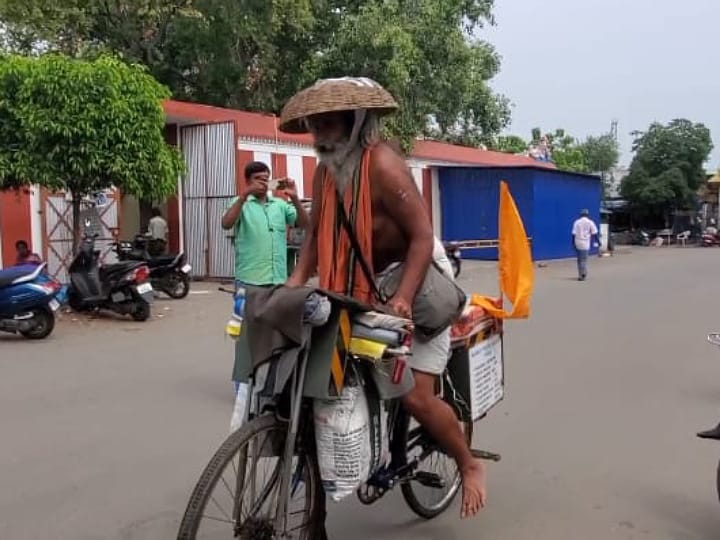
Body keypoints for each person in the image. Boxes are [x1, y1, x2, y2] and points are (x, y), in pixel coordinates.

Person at [281, 77, 487, 518]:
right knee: (324, 379)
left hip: (415, 284)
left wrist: (405, 300)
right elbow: (317, 234)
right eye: (314, 125)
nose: (319, 134)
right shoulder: (326, 171)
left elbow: (421, 237)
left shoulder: (384, 165)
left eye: (328, 123)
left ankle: (468, 464)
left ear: (355, 122)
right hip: (358, 288)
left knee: (412, 395)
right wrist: (295, 282)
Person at [222, 161, 310, 287]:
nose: (262, 183)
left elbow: (305, 225)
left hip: (278, 280)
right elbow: (226, 224)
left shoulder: (280, 204)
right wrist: (244, 196)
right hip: (249, 280)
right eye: (257, 179)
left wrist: (295, 198)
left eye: (265, 179)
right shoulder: (239, 202)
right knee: (249, 308)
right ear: (247, 182)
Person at [572, 209, 599, 281]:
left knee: (579, 259)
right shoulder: (590, 222)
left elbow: (573, 234)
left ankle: (580, 274)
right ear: (587, 215)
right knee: (584, 259)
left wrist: (573, 243)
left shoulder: (576, 222)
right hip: (586, 243)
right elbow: (595, 233)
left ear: (581, 214)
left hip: (577, 242)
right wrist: (598, 242)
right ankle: (583, 274)